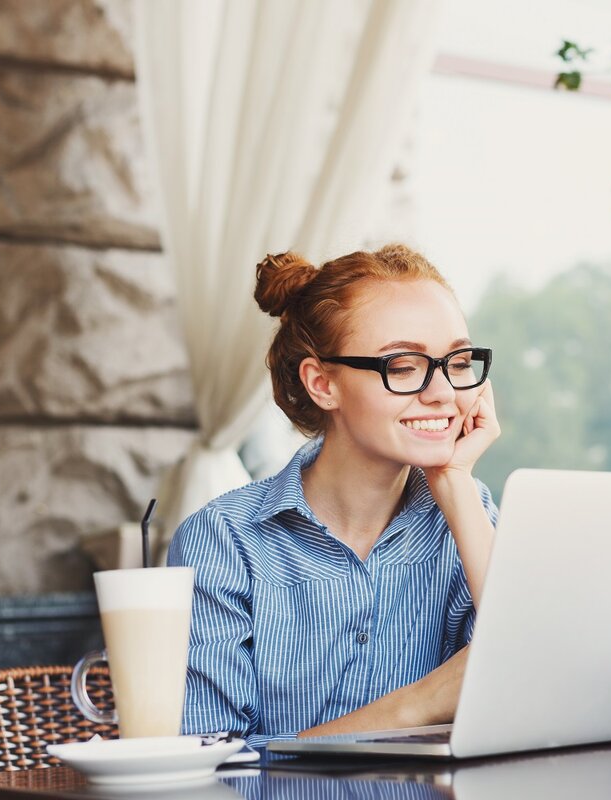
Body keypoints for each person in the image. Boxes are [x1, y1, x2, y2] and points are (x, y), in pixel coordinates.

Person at [167, 243, 500, 747]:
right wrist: (420, 702)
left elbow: (534, 685)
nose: (443, 394)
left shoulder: (468, 516)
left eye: (456, 361)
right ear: (323, 383)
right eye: (404, 365)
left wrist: (455, 480)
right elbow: (214, 764)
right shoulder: (224, 541)